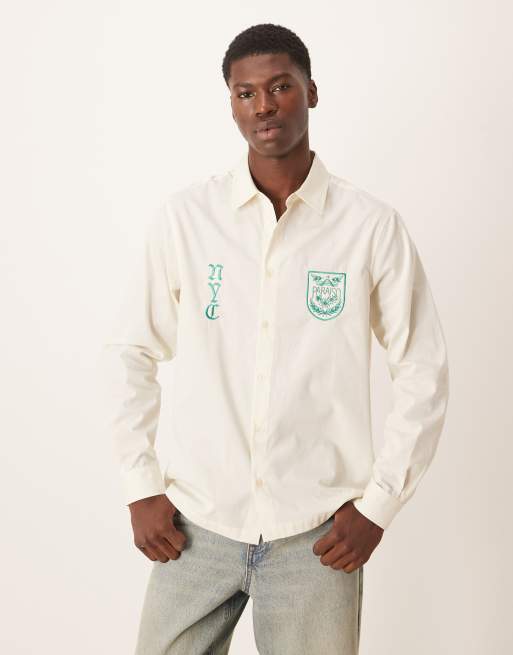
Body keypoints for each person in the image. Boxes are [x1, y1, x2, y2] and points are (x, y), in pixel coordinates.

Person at [103, 22, 450, 655]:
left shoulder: (370, 227)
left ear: (311, 92)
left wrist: (379, 506)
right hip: (195, 526)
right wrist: (140, 485)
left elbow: (423, 368)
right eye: (246, 93)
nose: (263, 105)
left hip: (316, 538)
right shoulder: (188, 219)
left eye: (280, 86)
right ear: (232, 104)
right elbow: (131, 351)